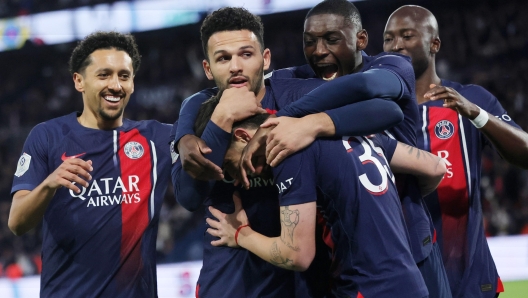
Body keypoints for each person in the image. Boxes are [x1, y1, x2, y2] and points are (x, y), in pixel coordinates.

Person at [172, 6, 405, 298]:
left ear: (265, 59)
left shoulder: (297, 95)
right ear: (208, 69)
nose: (235, 67)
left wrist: (313, 124)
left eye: (246, 54)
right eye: (223, 58)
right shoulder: (198, 116)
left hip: (303, 281)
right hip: (229, 285)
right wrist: (221, 120)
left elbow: (387, 110)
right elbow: (189, 197)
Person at [196, 98, 446, 297]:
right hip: (410, 283)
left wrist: (241, 234)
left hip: (365, 287)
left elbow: (297, 255)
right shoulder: (351, 130)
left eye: (233, 165)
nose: (246, 176)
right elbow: (435, 168)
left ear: (243, 136)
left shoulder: (289, 150)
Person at [8, 31, 175, 297]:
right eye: (104, 74)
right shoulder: (48, 136)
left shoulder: (156, 138)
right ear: (79, 81)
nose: (115, 85)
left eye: (124, 75)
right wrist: (50, 183)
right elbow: (17, 222)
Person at [383, 5, 528, 298]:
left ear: (434, 43)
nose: (395, 45)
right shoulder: (376, 111)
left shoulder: (471, 99)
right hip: (403, 278)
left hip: (469, 279)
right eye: (388, 38)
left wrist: (477, 114)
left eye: (407, 35)